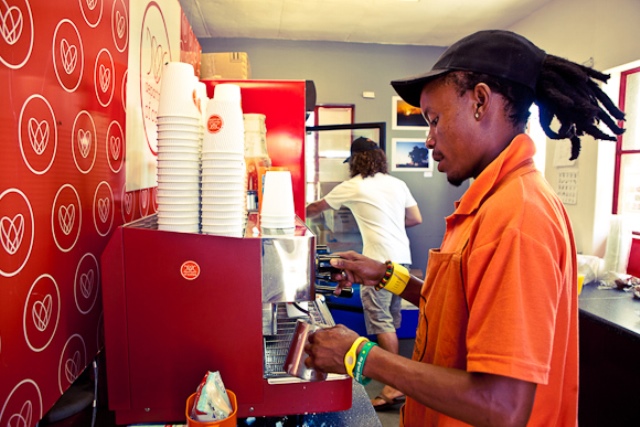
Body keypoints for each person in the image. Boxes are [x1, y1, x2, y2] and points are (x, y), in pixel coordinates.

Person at [304, 29, 625, 426]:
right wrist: (387, 276)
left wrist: (359, 354)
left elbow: (501, 405)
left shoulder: (517, 217)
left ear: (480, 102)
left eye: (435, 119)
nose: (429, 137)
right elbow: (458, 311)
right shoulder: (490, 203)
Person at [306, 136, 422, 411]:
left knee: (380, 322)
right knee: (391, 321)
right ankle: (398, 380)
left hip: (376, 263)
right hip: (401, 261)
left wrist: (294, 212)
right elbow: (415, 219)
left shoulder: (353, 186)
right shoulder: (398, 184)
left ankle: (394, 383)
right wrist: (388, 222)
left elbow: (315, 209)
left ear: (355, 161)